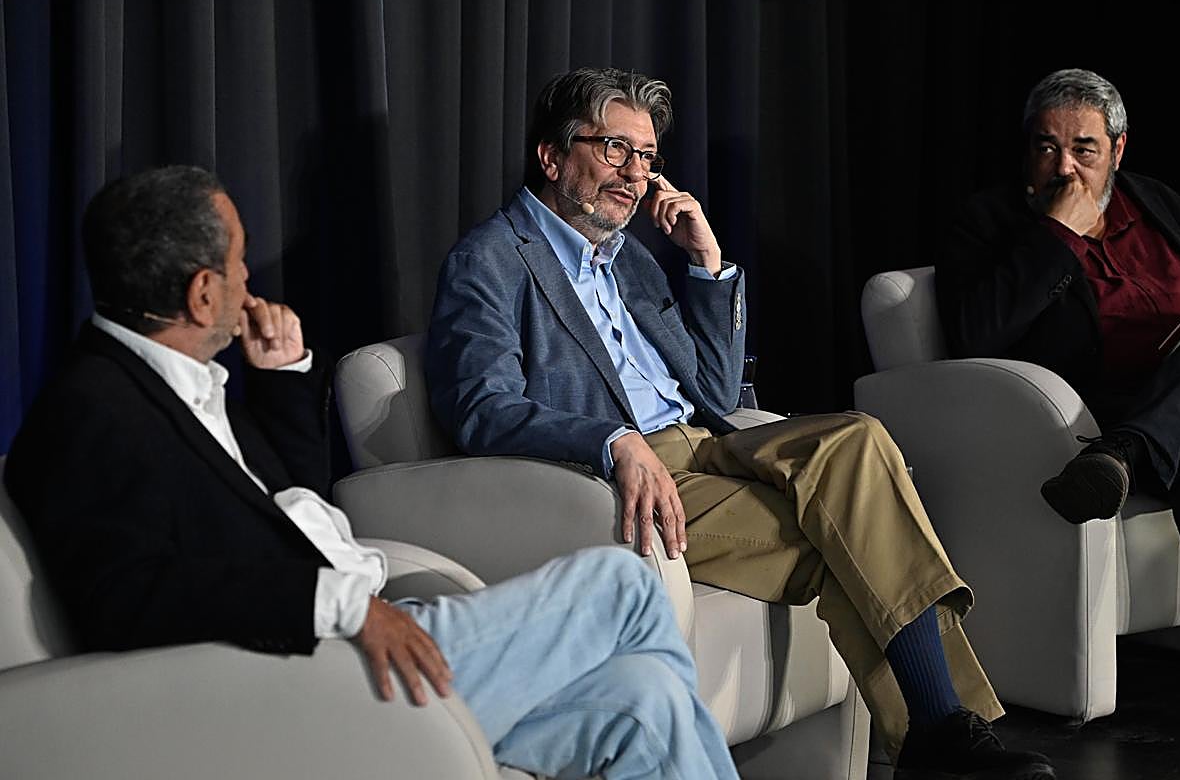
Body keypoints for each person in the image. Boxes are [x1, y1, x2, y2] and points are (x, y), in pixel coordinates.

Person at [3, 165, 740, 780]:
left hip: (357, 640)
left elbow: (287, 506)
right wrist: (343, 605)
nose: (247, 280)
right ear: (201, 294)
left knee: (646, 699)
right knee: (623, 583)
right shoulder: (89, 414)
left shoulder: (174, 383)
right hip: (304, 676)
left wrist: (284, 380)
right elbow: (127, 600)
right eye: (236, 264)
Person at [426, 66, 1055, 779]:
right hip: (627, 476)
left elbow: (717, 389)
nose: (635, 175)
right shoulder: (490, 260)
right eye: (614, 151)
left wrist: (707, 262)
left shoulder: (629, 259)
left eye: (646, 158)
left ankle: (938, 739)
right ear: (551, 155)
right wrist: (611, 440)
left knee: (858, 436)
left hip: (710, 443)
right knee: (852, 538)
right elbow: (482, 409)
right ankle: (942, 738)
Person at [935, 68, 1180, 577]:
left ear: (1117, 151)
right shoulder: (988, 221)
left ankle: (1127, 452)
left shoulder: (1156, 203)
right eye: (1047, 149)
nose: (1066, 169)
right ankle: (1128, 444)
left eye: (1084, 150)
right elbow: (975, 334)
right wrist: (1058, 236)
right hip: (1102, 401)